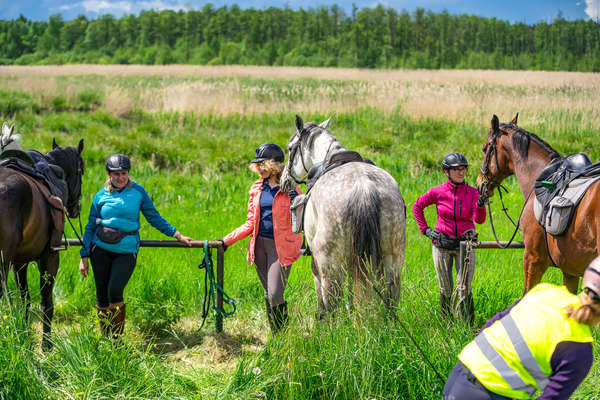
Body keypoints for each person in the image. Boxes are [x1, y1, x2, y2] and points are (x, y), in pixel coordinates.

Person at [443, 256, 600, 399]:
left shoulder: (545, 290)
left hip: (461, 370)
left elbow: (493, 322)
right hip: (492, 394)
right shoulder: (581, 349)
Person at [78, 154, 194, 338]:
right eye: (116, 174)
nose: (120, 177)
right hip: (99, 249)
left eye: (123, 173)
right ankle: (105, 339)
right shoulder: (101, 196)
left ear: (128, 173)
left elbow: (153, 217)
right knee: (101, 294)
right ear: (109, 174)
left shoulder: (138, 192)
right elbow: (90, 226)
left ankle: (116, 341)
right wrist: (84, 256)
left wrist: (176, 234)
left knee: (114, 290)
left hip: (126, 250)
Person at [219, 143, 302, 333]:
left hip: (281, 248)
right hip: (259, 247)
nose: (259, 169)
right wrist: (226, 241)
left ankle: (283, 338)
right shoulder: (256, 188)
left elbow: (301, 218)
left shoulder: (290, 189)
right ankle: (275, 336)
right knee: (268, 294)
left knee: (274, 294)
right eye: (257, 165)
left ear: (275, 165)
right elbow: (250, 223)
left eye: (263, 164)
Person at [413, 152, 486, 323]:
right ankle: (446, 324)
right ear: (446, 172)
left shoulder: (472, 193)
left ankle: (468, 326)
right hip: (442, 245)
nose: (461, 173)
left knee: (464, 287)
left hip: (465, 245)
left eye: (463, 169)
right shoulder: (438, 192)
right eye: (456, 170)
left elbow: (479, 220)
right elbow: (417, 206)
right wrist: (426, 230)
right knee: (446, 288)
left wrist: (481, 205)